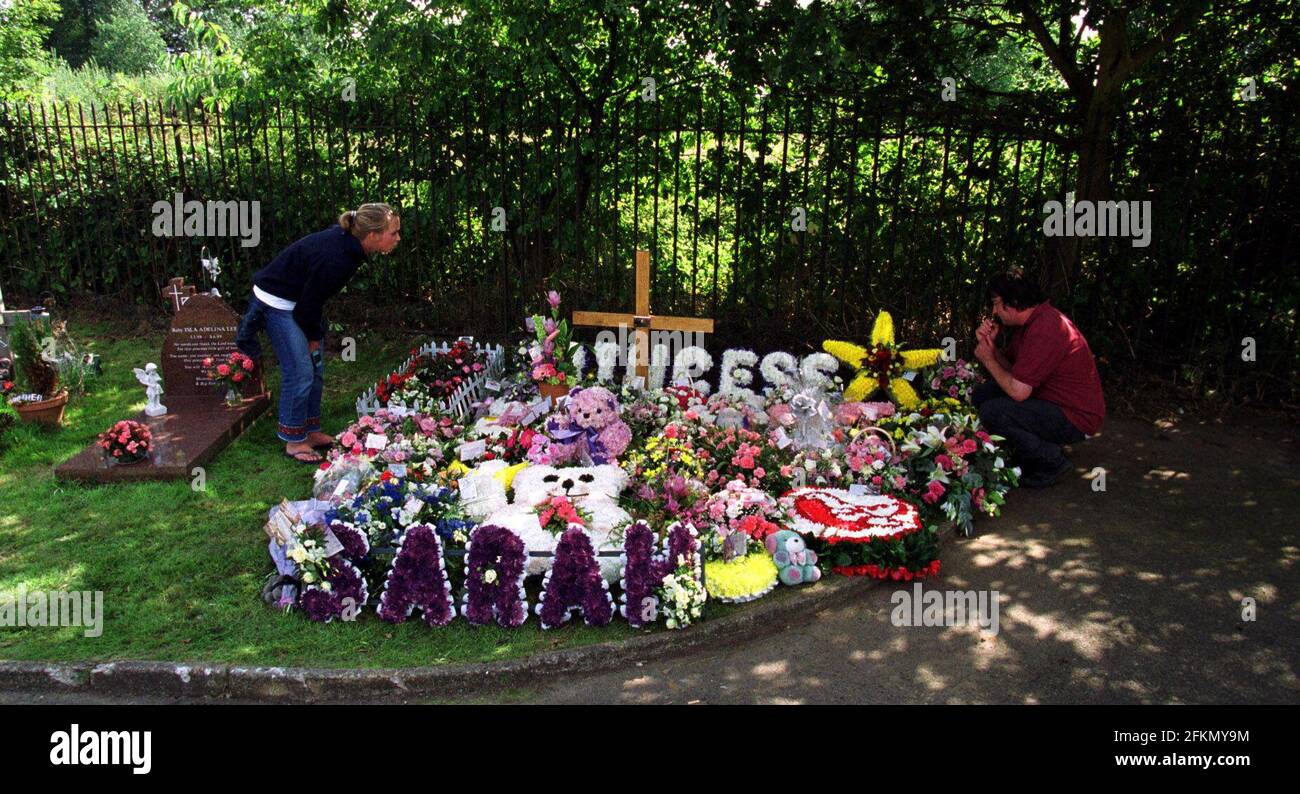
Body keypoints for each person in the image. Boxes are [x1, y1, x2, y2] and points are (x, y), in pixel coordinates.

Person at [236, 203, 401, 463]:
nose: (397, 238)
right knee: (300, 371)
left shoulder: (350, 247)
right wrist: (313, 338)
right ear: (373, 235)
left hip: (299, 301)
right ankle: (293, 439)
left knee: (316, 370)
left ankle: (310, 431)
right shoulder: (339, 258)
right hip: (276, 301)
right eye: (393, 233)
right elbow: (308, 306)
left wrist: (314, 336)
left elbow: (312, 299)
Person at [972, 272, 1105, 487]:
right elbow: (1014, 372)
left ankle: (1050, 460)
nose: (994, 311)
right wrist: (992, 349)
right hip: (1051, 402)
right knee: (984, 394)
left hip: (1075, 417)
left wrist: (988, 360)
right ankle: (1025, 449)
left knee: (993, 411)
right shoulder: (1033, 323)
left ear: (1013, 302)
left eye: (996, 304)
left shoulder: (1045, 329)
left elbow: (1018, 391)